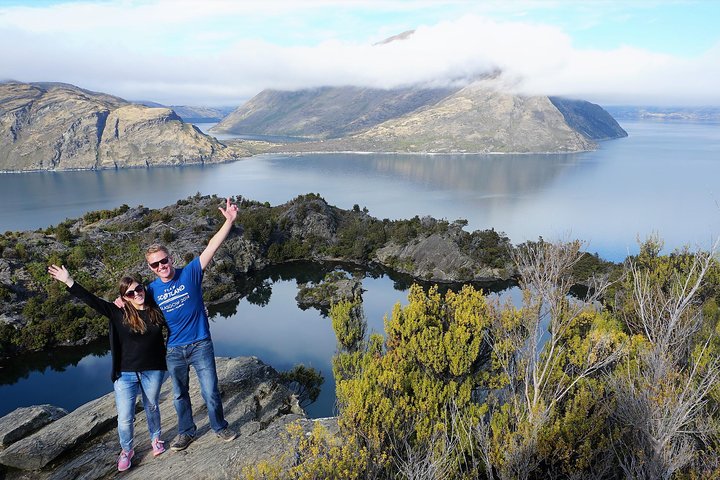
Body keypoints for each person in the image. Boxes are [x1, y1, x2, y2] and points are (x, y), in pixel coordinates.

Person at [47, 265, 167, 472]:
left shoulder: (156, 309)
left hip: (153, 369)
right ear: (124, 297)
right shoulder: (117, 312)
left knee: (152, 407)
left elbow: (178, 319)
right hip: (126, 373)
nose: (137, 294)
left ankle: (156, 439)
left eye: (139, 289)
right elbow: (91, 301)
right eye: (130, 293)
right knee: (125, 417)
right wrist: (69, 281)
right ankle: (126, 450)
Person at [144, 196, 239, 451]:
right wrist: (121, 301)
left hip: (200, 344)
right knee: (178, 395)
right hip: (174, 349)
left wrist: (228, 222)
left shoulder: (190, 273)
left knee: (210, 391)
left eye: (164, 260)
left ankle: (219, 426)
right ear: (151, 268)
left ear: (171, 258)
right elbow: (131, 297)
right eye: (156, 264)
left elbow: (211, 247)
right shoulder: (150, 290)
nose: (162, 266)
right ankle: (186, 432)